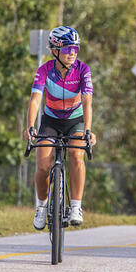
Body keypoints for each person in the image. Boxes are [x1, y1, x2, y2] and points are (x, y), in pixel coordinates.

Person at [24, 25, 97, 230]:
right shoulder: (44, 70)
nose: (72, 53)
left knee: (76, 153)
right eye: (67, 49)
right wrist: (30, 126)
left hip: (75, 120)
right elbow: (36, 100)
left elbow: (87, 101)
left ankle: (76, 206)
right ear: (55, 51)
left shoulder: (83, 70)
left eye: (75, 49)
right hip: (51, 121)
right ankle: (41, 206)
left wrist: (88, 129)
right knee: (43, 163)